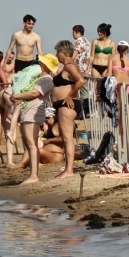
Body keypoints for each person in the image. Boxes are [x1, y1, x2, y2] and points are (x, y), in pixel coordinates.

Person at [11, 54, 57, 185]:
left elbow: (34, 93)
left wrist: (16, 95)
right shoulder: (40, 77)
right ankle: (32, 174)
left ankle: (34, 175)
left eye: (41, 62)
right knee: (29, 143)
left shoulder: (47, 79)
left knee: (31, 143)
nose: (39, 63)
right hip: (28, 111)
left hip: (33, 112)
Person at [51, 40, 85, 179]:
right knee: (66, 138)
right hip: (63, 105)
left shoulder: (70, 65)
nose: (56, 55)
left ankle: (69, 170)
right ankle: (68, 168)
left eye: (57, 52)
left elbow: (81, 80)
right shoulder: (66, 66)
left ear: (63, 53)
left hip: (67, 105)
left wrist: (69, 95)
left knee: (67, 138)